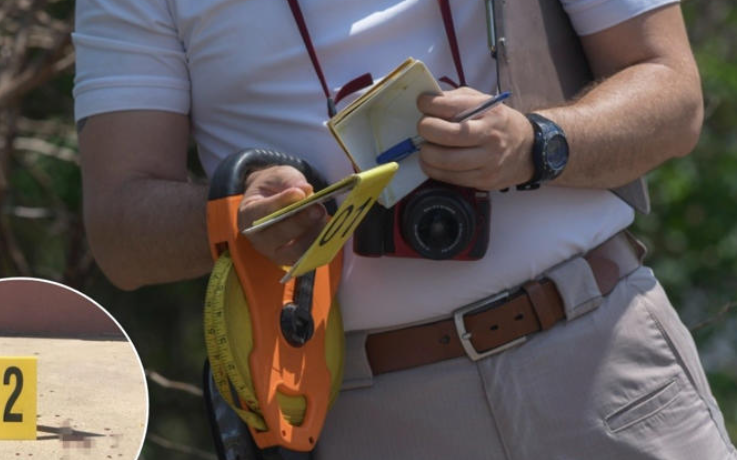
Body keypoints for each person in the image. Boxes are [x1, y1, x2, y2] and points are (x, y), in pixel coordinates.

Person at [73, 0, 736, 458]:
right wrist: (236, 220)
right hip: (364, 412)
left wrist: (537, 142)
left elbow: (672, 95)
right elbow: (120, 233)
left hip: (599, 352)